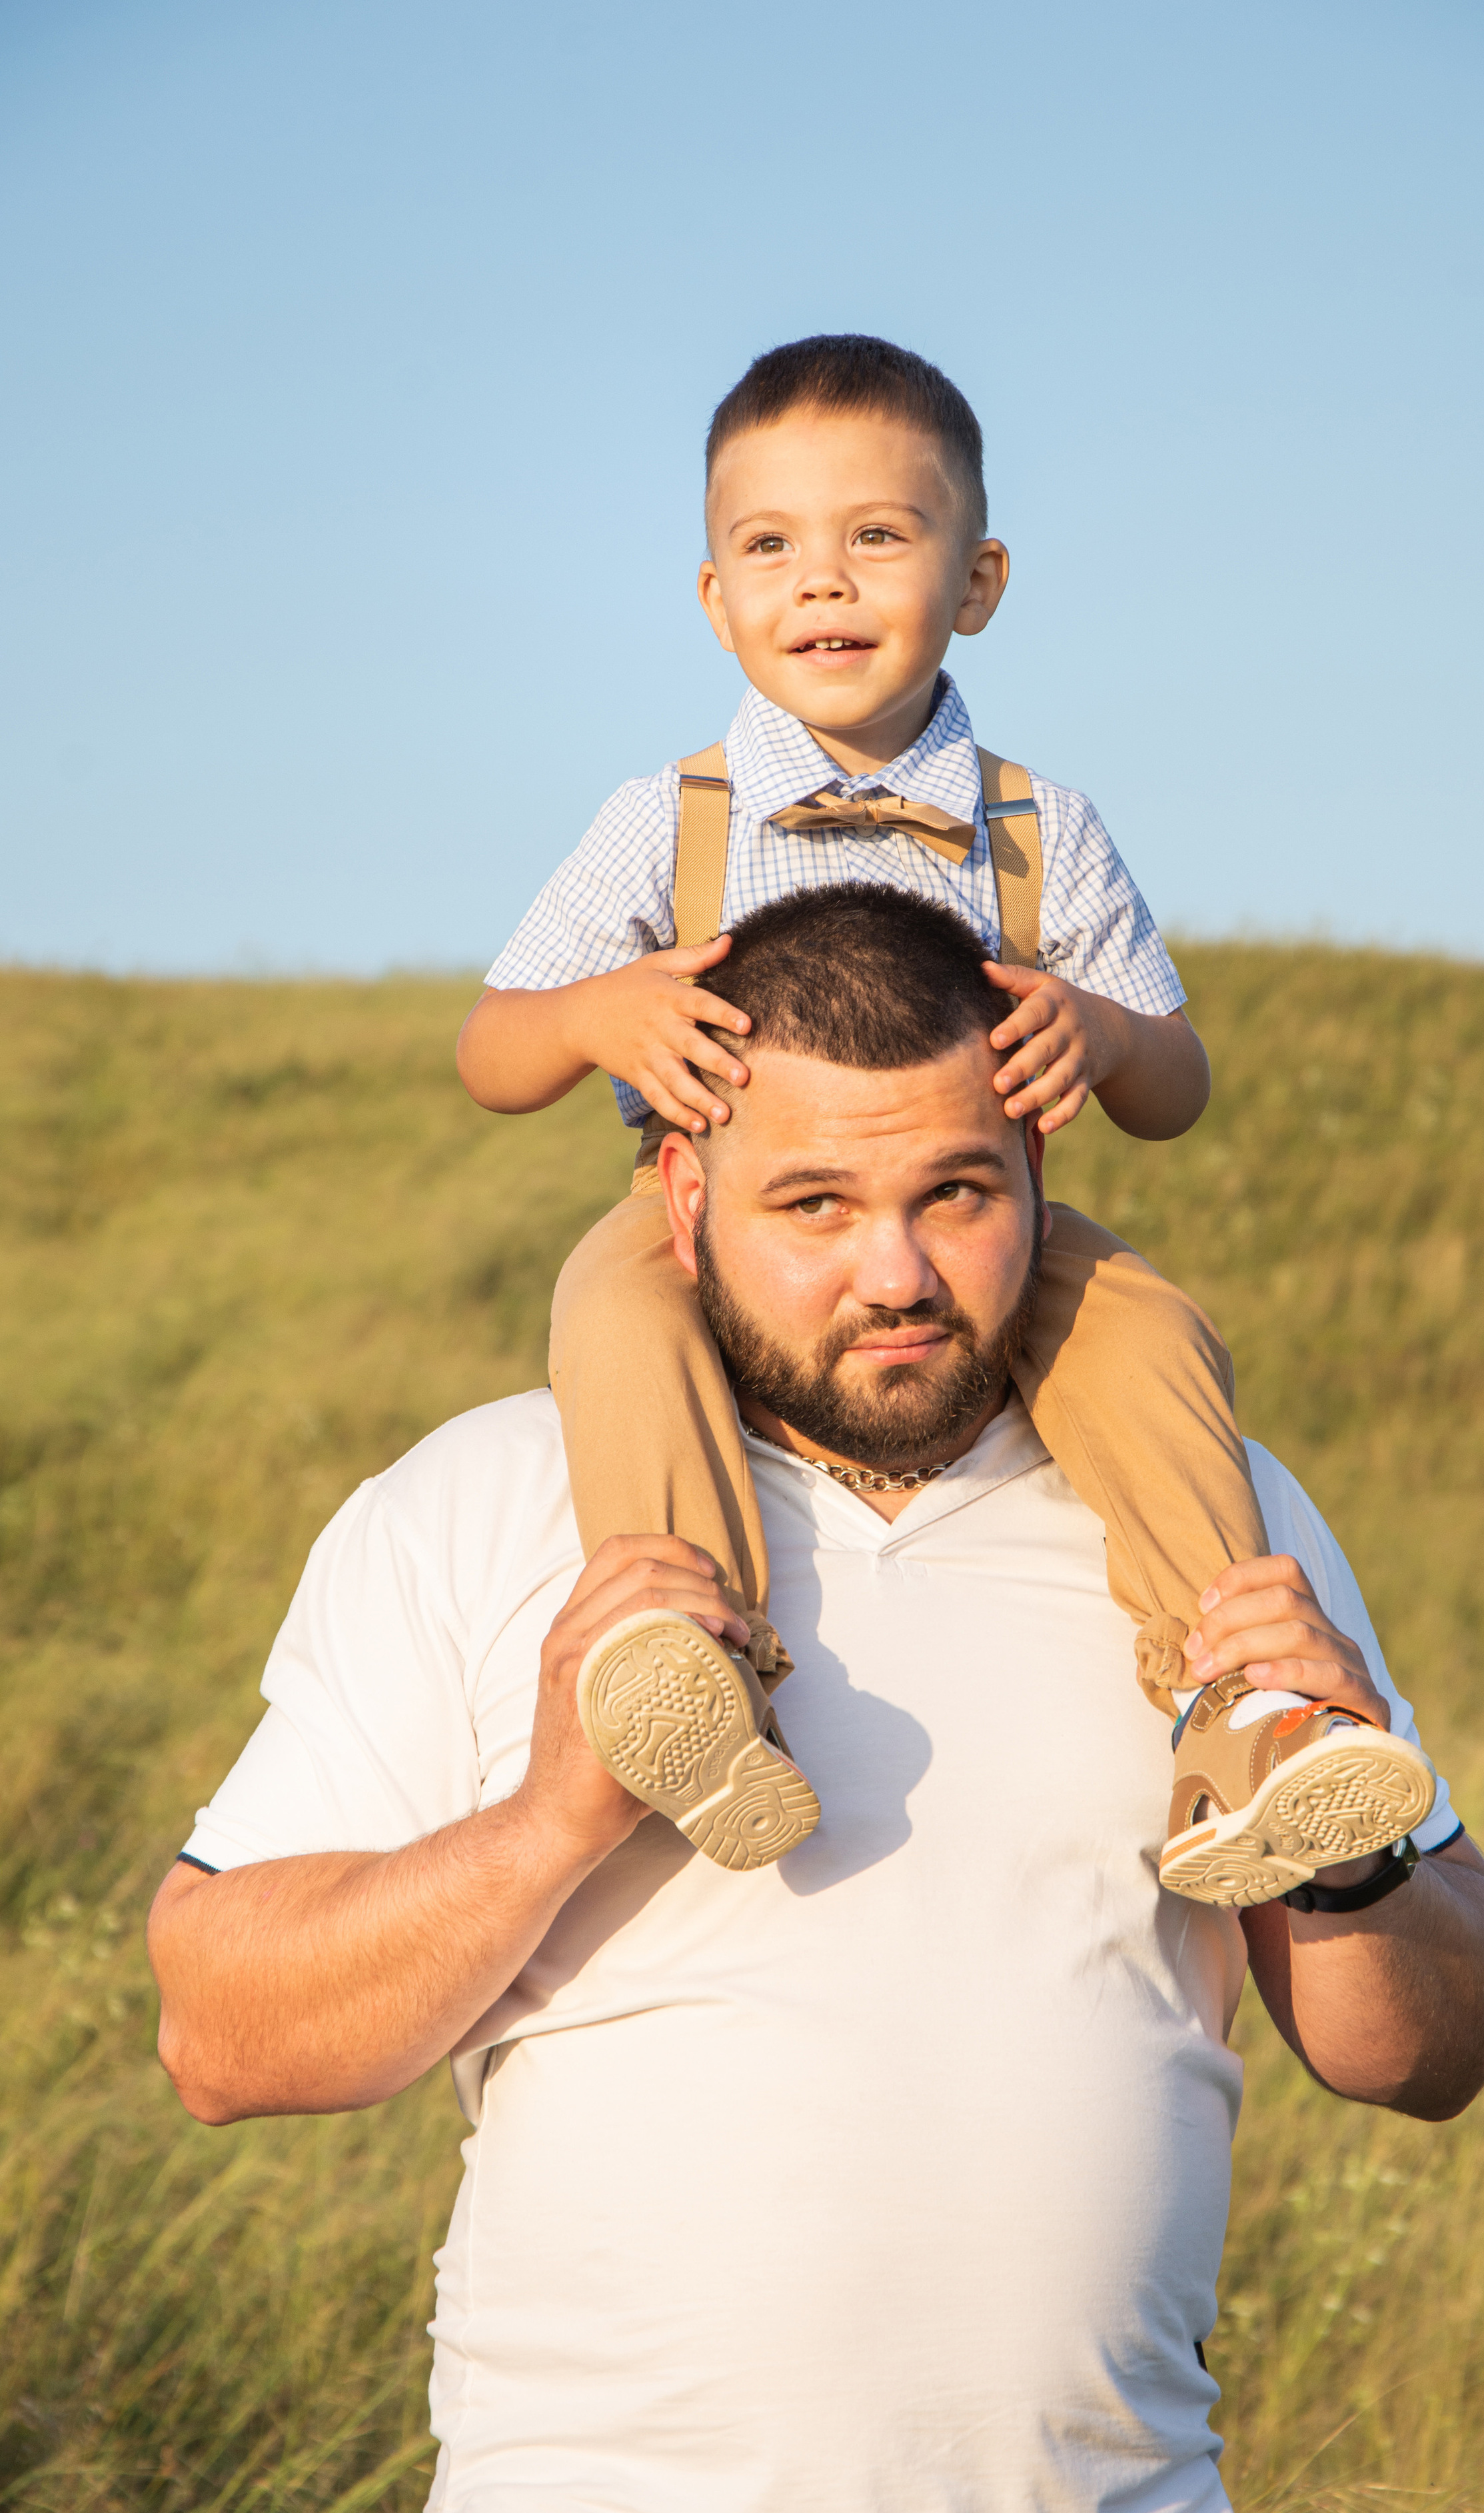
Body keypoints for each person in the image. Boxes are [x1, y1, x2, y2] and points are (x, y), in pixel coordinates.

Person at [149, 885, 1484, 2513]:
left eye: (955, 1194)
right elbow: (220, 2039)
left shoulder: (1218, 1526)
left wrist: (1358, 1863)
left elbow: (1425, 2057)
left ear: (1039, 1178)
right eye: (811, 1203)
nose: (896, 1274)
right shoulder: (487, 1500)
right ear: (680, 1194)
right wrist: (556, 1819)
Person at [452, 329, 1354, 1894]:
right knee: (609, 1311)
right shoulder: (664, 821)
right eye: (769, 547)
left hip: (983, 1223)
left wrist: (1101, 1031)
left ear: (978, 578)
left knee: (1143, 1327)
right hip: (710, 1231)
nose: (823, 583)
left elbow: (1179, 1085)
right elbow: (493, 1047)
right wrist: (607, 1011)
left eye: (878, 536)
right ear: (712, 598)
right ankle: (693, 1663)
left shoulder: (1037, 826)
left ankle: (1239, 1707)